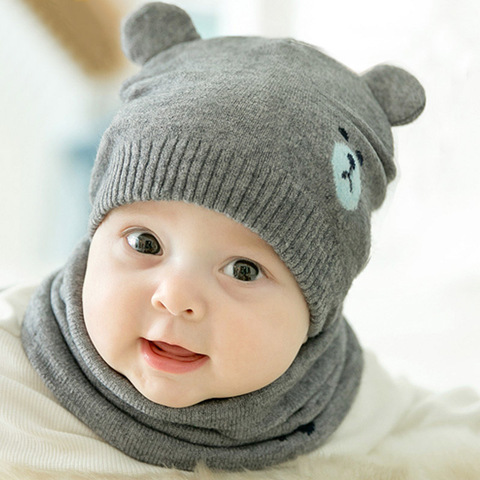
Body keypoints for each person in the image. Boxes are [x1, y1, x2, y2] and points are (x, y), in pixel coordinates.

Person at [1, 2, 479, 479]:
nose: (175, 297)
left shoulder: (344, 403)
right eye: (145, 243)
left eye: (243, 270)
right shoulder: (13, 371)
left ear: (319, 311)